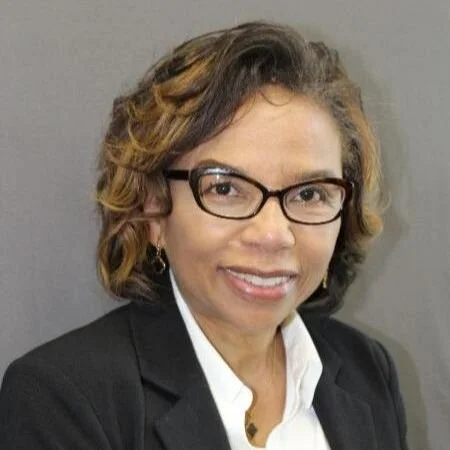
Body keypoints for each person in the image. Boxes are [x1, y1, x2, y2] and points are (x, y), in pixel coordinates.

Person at [0, 21, 408, 449]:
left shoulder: (367, 372)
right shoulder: (65, 399)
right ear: (153, 210)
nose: (273, 234)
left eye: (310, 194)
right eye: (225, 188)